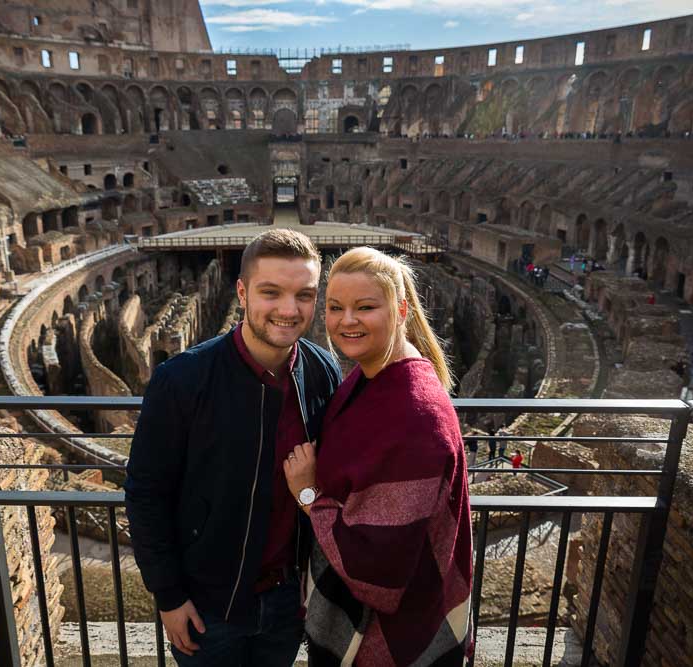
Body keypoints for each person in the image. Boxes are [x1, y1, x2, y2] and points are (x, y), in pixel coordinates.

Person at [125, 229, 342, 666]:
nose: (288, 309)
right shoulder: (181, 380)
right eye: (271, 292)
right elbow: (147, 492)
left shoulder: (323, 371)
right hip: (208, 605)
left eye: (304, 295)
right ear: (242, 293)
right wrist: (168, 596)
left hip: (287, 599)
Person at [283, 247, 473, 666]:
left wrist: (309, 494)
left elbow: (378, 574)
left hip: (386, 641)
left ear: (401, 309)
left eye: (365, 307)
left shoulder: (416, 415)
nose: (346, 321)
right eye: (335, 307)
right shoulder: (370, 379)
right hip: (360, 626)